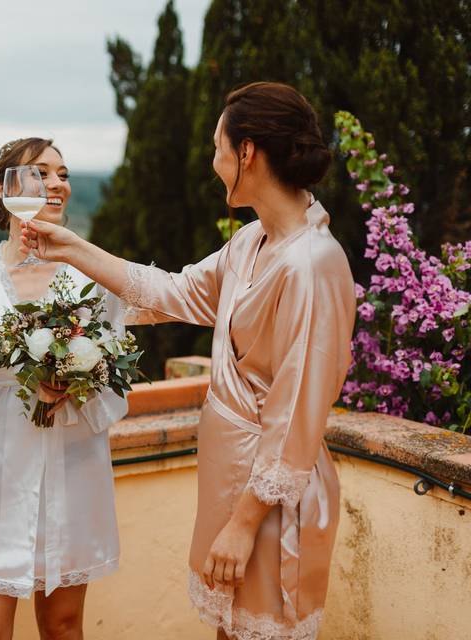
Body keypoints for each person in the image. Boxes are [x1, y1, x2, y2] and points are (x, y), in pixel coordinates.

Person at [21, 82, 356, 640]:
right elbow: (174, 292)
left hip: (270, 497)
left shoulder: (313, 264)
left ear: (246, 153)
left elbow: (298, 412)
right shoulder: (252, 241)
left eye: (217, 147)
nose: (213, 162)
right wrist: (70, 248)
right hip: (229, 478)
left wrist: (246, 524)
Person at [0, 138, 129, 640]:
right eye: (41, 172)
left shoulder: (92, 273)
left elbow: (116, 382)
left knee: (64, 627)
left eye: (63, 173)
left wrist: (75, 385)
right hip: (0, 467)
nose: (58, 182)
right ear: (6, 189)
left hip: (74, 463)